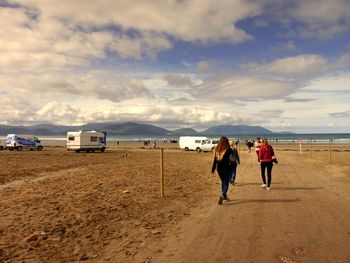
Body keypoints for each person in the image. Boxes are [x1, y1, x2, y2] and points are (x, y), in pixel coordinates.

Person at [211, 136, 233, 205]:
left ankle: (225, 196)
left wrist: (213, 169)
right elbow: (232, 159)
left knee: (223, 182)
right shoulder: (228, 150)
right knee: (226, 183)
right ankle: (222, 195)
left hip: (219, 169)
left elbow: (215, 160)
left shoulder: (217, 149)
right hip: (226, 168)